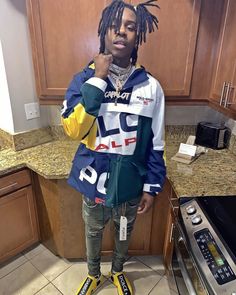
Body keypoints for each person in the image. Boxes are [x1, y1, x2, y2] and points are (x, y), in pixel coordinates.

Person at [61, 0, 166, 294]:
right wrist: (98, 79)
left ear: (138, 36)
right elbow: (73, 129)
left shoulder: (151, 87)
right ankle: (94, 274)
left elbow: (156, 144)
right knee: (93, 231)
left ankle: (118, 271)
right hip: (94, 180)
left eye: (130, 27)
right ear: (103, 33)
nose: (121, 32)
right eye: (114, 26)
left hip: (130, 183)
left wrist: (151, 186)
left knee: (124, 232)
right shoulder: (83, 79)